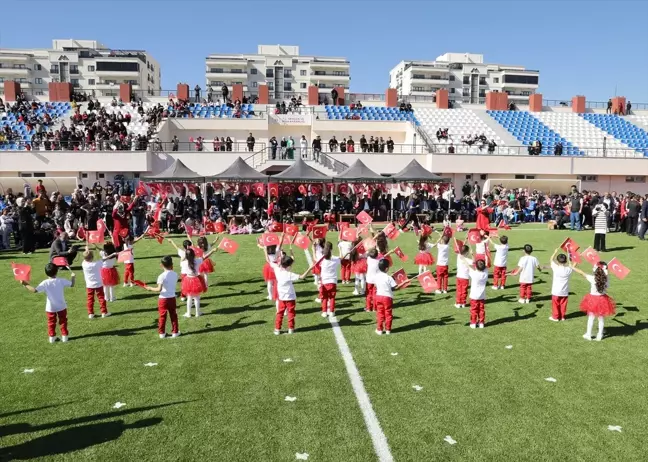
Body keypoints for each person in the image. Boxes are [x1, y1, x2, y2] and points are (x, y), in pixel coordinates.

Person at [20, 263, 76, 343]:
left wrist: (25, 284)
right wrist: (73, 277)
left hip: (50, 307)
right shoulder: (61, 280)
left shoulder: (45, 282)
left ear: (45, 272)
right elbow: (72, 284)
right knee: (63, 321)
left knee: (51, 323)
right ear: (57, 271)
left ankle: (52, 338)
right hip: (61, 306)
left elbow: (35, 290)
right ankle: (65, 337)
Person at [573, 262, 616, 341]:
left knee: (591, 317)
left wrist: (573, 267)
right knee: (601, 318)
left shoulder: (592, 278)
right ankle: (600, 335)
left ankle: (588, 334)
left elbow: (582, 273)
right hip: (602, 299)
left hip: (592, 299)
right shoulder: (606, 279)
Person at [270, 253, 311, 335]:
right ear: (288, 266)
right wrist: (309, 268)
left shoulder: (277, 270)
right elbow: (302, 277)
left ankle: (277, 329)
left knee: (280, 313)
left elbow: (271, 263)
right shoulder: (289, 274)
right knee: (291, 313)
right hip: (290, 297)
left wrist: (281, 257)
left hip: (281, 297)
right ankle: (291, 328)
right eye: (291, 265)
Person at [143, 256, 181, 339]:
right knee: (173, 315)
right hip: (172, 298)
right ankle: (175, 332)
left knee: (162, 316)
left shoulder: (161, 276)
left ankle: (162, 333)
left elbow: (159, 289)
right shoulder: (175, 274)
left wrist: (149, 288)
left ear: (161, 265)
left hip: (163, 299)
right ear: (172, 264)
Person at [374, 259, 408, 335]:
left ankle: (379, 330)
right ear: (386, 268)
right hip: (387, 298)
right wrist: (403, 283)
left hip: (378, 296)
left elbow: (376, 285)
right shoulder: (389, 278)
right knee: (388, 313)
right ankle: (388, 330)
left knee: (380, 313)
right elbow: (395, 287)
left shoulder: (376, 276)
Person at [82, 244, 114, 319]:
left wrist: (86, 249)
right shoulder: (96, 264)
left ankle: (90, 313)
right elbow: (104, 259)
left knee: (90, 299)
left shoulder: (83, 264)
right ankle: (104, 312)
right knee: (101, 298)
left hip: (89, 285)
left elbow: (86, 257)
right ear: (92, 257)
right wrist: (112, 254)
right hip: (98, 284)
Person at [459, 256, 488, 328]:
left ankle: (473, 323)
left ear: (476, 267)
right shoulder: (486, 273)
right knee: (481, 310)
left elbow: (468, 266)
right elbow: (486, 265)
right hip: (482, 296)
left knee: (474, 310)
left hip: (474, 296)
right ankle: (481, 323)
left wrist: (463, 259)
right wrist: (486, 257)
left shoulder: (474, 274)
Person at [549, 249, 574, 322]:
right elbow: (572, 265)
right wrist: (570, 258)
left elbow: (551, 260)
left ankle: (555, 317)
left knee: (555, 304)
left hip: (556, 291)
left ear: (557, 261)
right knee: (563, 305)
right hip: (565, 291)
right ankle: (562, 316)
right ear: (565, 261)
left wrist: (555, 252)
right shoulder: (568, 269)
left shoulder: (555, 268)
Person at [318, 241, 341, 319]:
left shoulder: (321, 260)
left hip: (324, 281)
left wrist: (314, 250)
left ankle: (324, 312)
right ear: (331, 249)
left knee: (324, 298)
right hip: (333, 281)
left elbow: (315, 259)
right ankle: (331, 311)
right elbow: (341, 257)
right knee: (332, 298)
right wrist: (340, 248)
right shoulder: (336, 259)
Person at [180, 247, 206, 317]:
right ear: (194, 254)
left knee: (189, 297)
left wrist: (184, 257)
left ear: (186, 256)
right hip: (196, 279)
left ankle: (188, 313)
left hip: (188, 280)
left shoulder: (184, 263)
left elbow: (182, 269)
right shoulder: (198, 261)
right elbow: (204, 257)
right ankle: (198, 313)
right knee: (197, 297)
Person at [454, 243, 473, 309]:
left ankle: (458, 303)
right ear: (467, 252)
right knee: (464, 291)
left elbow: (461, 249)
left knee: (459, 290)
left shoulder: (459, 256)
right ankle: (463, 303)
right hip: (465, 277)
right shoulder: (468, 260)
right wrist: (472, 254)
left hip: (459, 276)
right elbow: (474, 262)